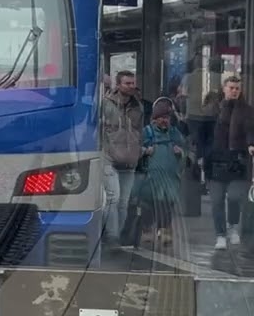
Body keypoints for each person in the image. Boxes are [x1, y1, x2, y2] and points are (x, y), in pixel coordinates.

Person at [198, 74, 254, 250]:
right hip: (215, 162)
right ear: (224, 89)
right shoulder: (213, 110)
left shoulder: (247, 110)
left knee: (235, 197)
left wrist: (251, 144)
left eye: (237, 88)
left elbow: (251, 130)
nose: (234, 91)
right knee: (216, 200)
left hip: (238, 161)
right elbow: (202, 134)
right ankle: (220, 234)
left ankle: (232, 226)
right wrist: (202, 155)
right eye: (231, 88)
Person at [136, 99, 187, 249]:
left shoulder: (175, 133)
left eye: (167, 118)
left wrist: (181, 153)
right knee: (148, 205)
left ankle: (164, 232)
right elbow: (135, 150)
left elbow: (187, 151)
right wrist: (145, 151)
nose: (165, 121)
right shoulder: (146, 132)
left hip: (170, 179)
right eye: (161, 118)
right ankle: (147, 230)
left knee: (167, 205)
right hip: (150, 178)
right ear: (154, 118)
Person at [101, 70, 145, 246]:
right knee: (113, 197)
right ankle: (112, 236)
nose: (131, 86)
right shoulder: (105, 104)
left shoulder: (138, 107)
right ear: (118, 85)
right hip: (108, 157)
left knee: (124, 202)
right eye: (127, 83)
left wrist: (139, 150)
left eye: (133, 83)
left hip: (129, 159)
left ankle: (115, 235)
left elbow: (139, 132)